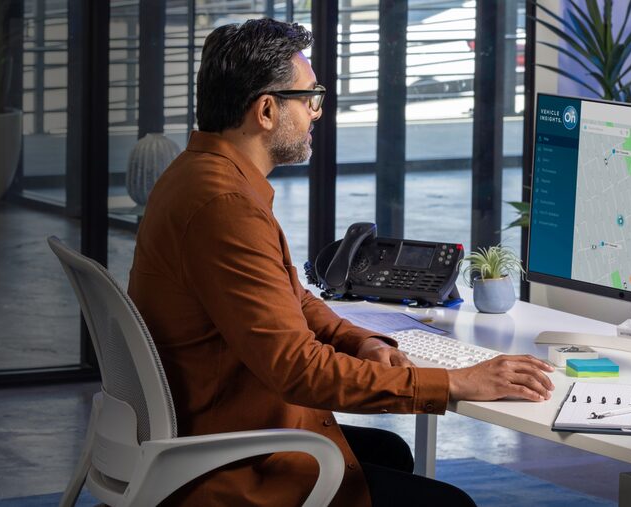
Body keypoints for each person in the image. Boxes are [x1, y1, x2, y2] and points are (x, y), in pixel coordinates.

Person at [128, 19, 556, 506]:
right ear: (266, 110)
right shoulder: (225, 206)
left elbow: (293, 298)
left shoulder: (202, 176)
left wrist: (361, 340)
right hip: (232, 463)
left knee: (391, 451)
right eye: (310, 98)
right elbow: (298, 370)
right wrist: (455, 381)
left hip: (222, 421)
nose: (316, 113)